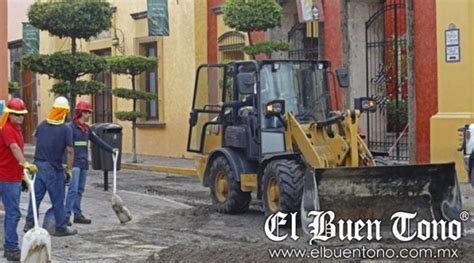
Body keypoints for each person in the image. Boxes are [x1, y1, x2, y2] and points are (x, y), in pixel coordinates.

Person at [24, 96, 77, 236]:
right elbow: (70, 151)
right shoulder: (66, 129)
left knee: (35, 197)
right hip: (54, 168)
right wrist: (69, 170)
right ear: (65, 112)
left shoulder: (42, 125)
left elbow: (37, 139)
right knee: (58, 199)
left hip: (38, 165)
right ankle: (60, 227)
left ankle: (29, 223)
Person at [65, 101, 117, 225]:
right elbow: (66, 147)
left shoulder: (86, 129)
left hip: (83, 163)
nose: (89, 114)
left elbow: (97, 141)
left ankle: (77, 214)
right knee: (73, 189)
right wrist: (66, 165)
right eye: (87, 112)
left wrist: (111, 150)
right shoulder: (70, 128)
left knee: (80, 189)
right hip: (74, 164)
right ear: (81, 113)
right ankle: (66, 215)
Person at [0, 98, 38, 261]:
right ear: (9, 114)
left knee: (11, 213)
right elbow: (14, 148)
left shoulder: (16, 129)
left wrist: (21, 173)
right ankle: (11, 248)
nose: (20, 117)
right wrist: (25, 163)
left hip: (12, 176)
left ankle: (8, 245)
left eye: (22, 114)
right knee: (13, 213)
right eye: (16, 114)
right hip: (6, 177)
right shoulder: (7, 129)